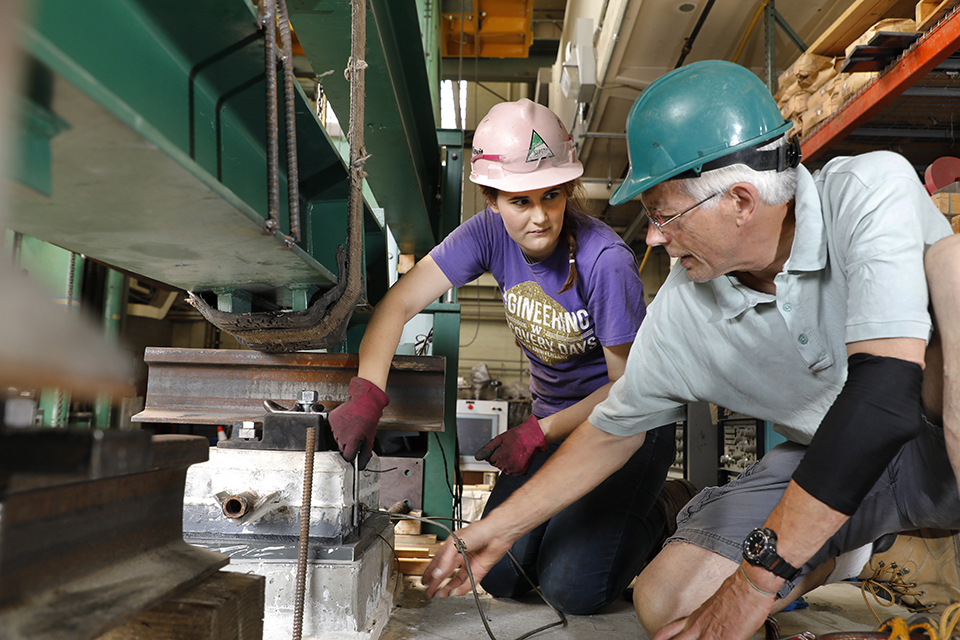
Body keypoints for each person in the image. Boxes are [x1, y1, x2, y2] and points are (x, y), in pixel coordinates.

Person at [420, 60, 960, 640]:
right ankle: (875, 551)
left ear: (741, 201)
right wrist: (497, 530)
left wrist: (754, 585)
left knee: (953, 271)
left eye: (662, 214)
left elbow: (884, 399)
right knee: (666, 600)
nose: (652, 236)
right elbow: (613, 429)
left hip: (937, 446)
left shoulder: (866, 190)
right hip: (826, 462)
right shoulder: (686, 306)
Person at [328, 98, 679, 615]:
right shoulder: (488, 235)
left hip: (626, 427)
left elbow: (628, 391)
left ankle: (665, 509)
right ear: (492, 198)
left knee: (571, 590)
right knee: (507, 579)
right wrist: (367, 393)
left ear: (568, 190)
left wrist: (539, 432)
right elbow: (398, 303)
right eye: (520, 201)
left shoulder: (608, 262)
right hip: (549, 424)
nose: (540, 217)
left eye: (552, 196)